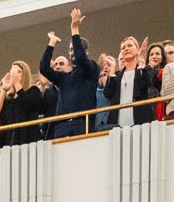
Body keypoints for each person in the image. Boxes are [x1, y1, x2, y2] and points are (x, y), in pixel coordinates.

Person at [39, 9, 97, 139]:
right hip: (61, 127)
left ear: (86, 52)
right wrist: (51, 43)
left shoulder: (91, 68)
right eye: (70, 50)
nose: (72, 52)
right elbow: (44, 68)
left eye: (74, 49)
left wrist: (74, 29)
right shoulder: (63, 77)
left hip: (83, 123)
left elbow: (81, 58)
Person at [99, 34, 160, 128]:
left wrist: (141, 63)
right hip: (118, 125)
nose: (126, 49)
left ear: (137, 50)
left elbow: (145, 84)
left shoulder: (143, 70)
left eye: (130, 46)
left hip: (139, 122)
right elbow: (108, 93)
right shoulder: (116, 75)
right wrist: (112, 70)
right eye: (123, 48)